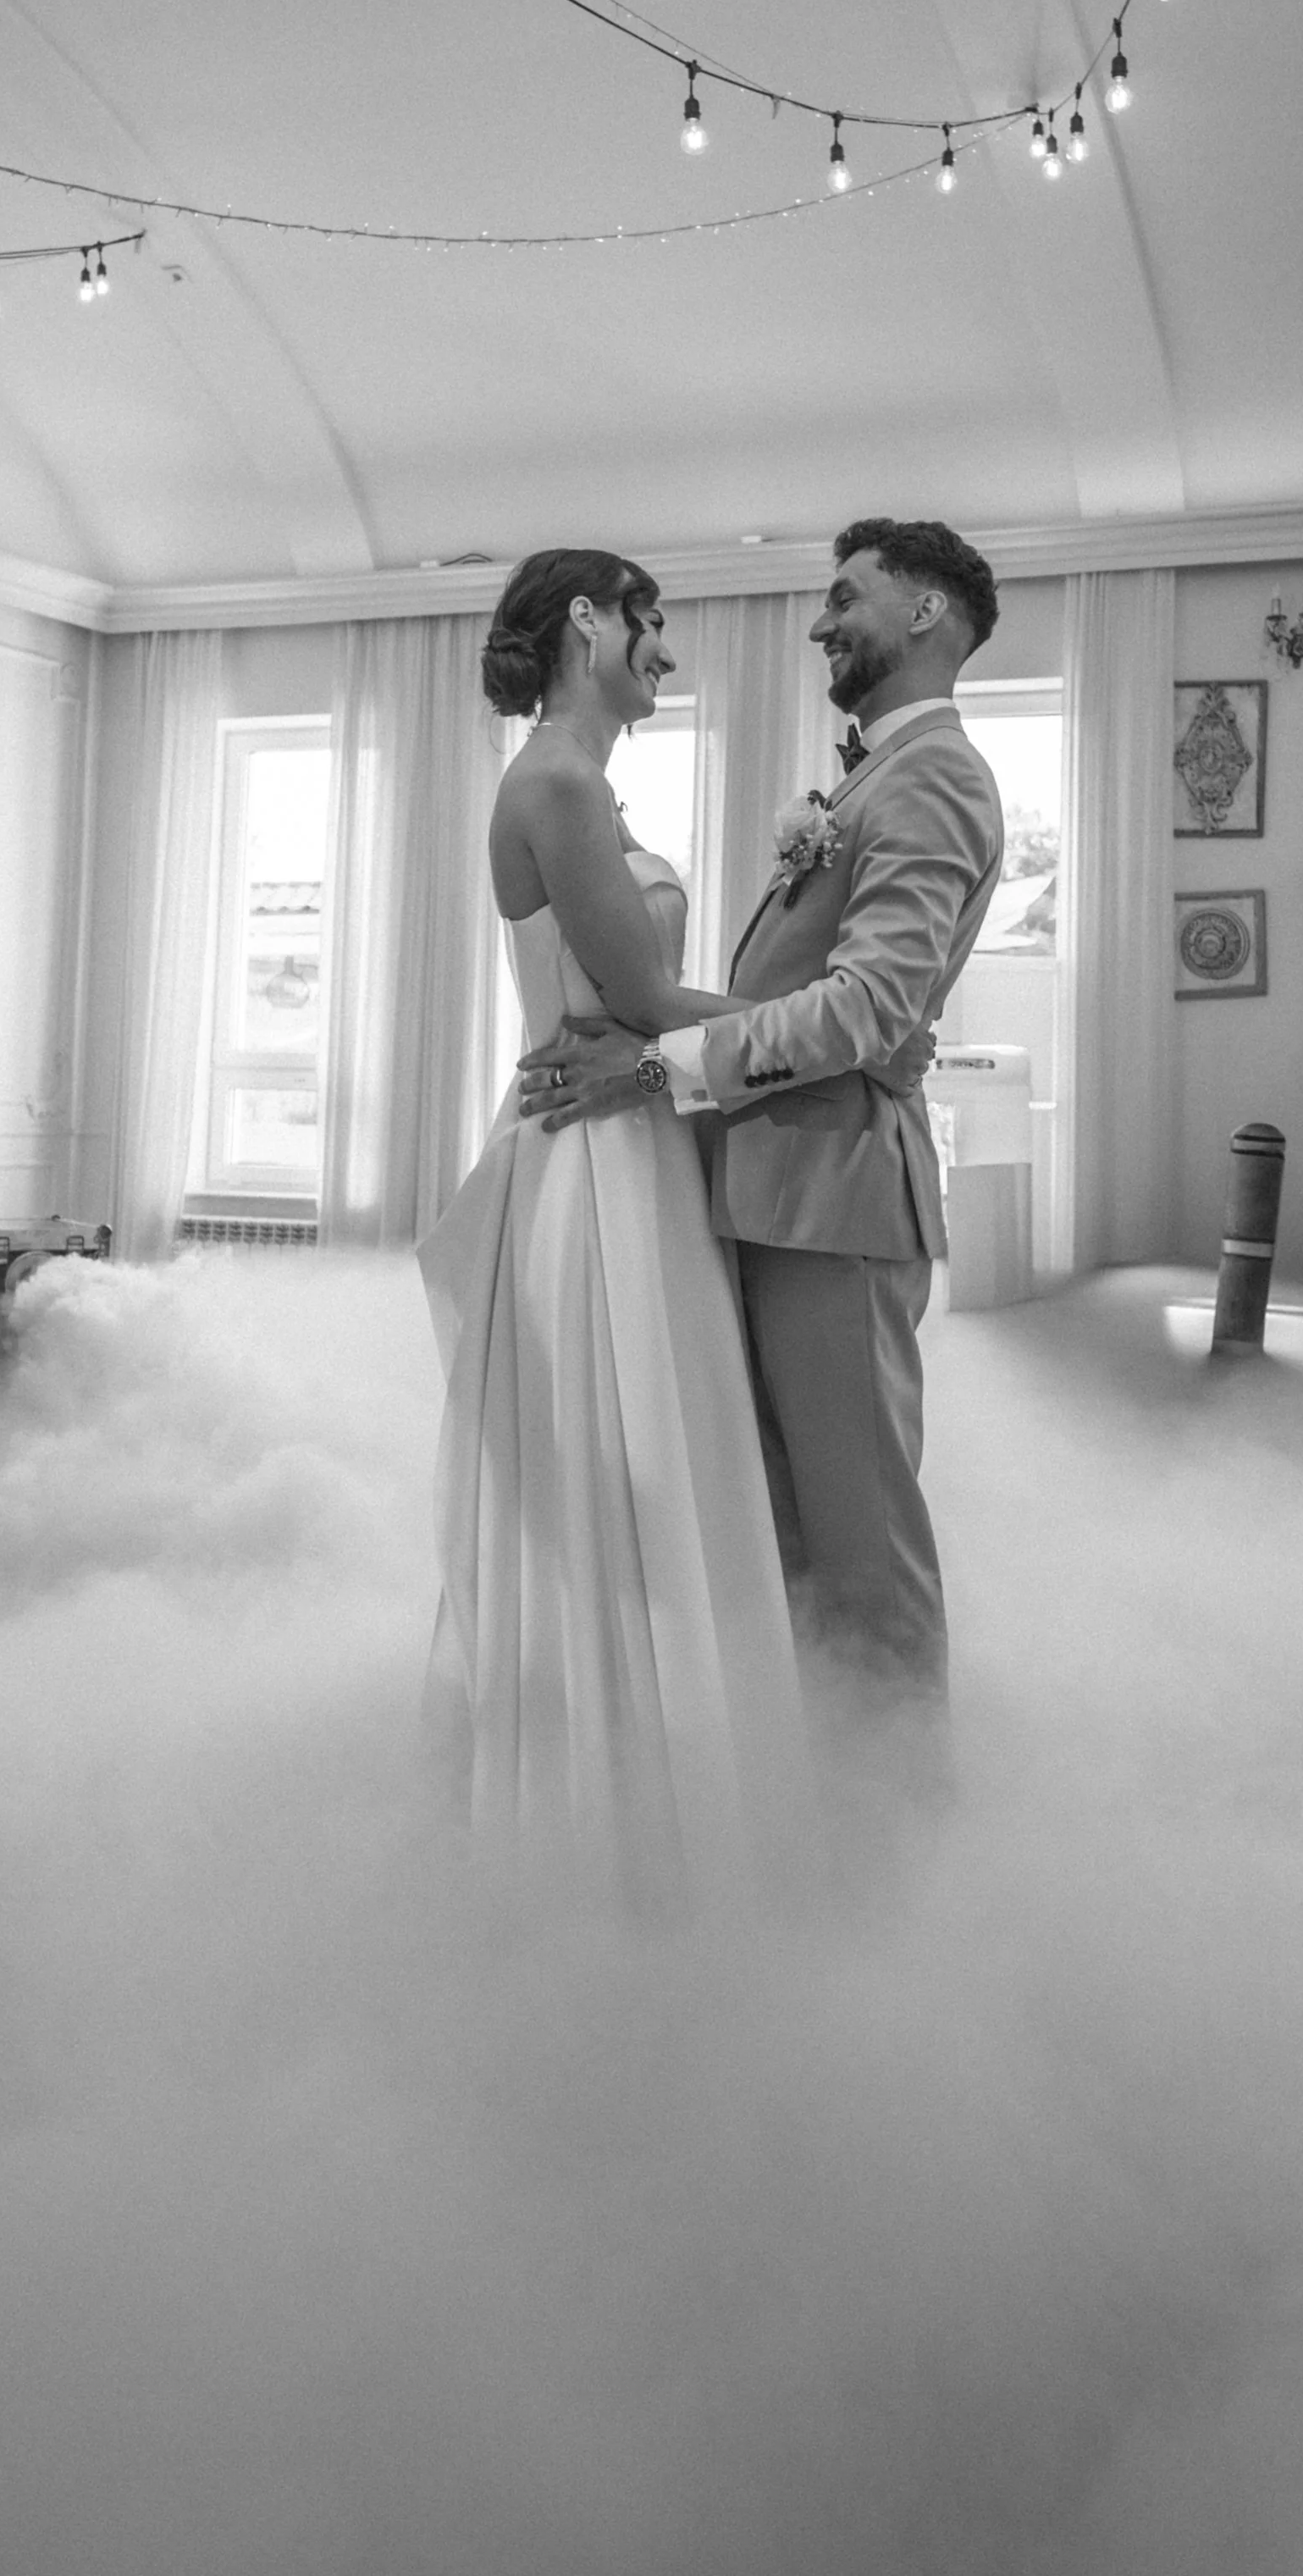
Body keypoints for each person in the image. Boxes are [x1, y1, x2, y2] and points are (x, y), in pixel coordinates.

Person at [522, 518, 1005, 1708]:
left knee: (860, 1542)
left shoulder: (935, 774)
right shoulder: (876, 774)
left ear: (928, 613)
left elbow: (868, 1009)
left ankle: (902, 1835)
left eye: (848, 596)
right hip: (777, 1188)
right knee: (782, 1534)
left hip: (839, 1198)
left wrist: (655, 1069)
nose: (822, 620)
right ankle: (813, 1814)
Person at [416, 548, 812, 1891]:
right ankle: (628, 1792)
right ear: (588, 619)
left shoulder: (581, 780)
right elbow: (644, 1002)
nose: (667, 653)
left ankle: (655, 1748)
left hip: (627, 1136)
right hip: (596, 1162)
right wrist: (843, 1029)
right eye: (654, 626)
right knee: (630, 1430)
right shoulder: (556, 782)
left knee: (663, 1432)